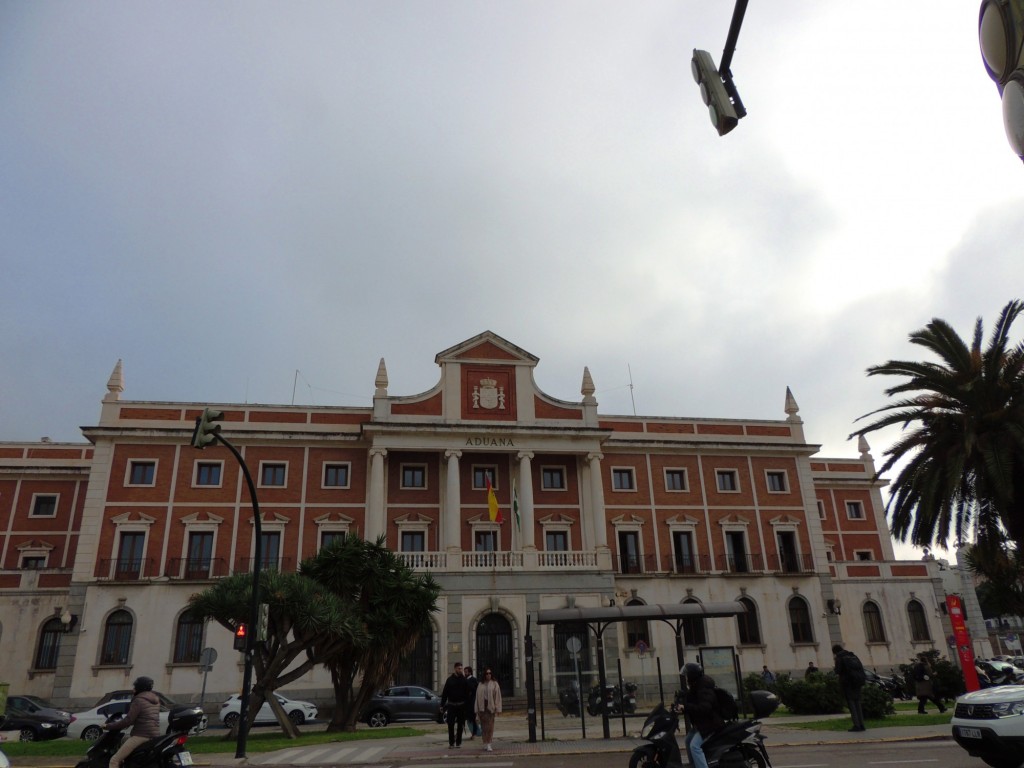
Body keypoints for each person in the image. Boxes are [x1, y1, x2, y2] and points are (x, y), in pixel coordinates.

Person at [104, 676, 162, 768]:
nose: (133, 689)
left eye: (135, 687)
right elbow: (145, 717)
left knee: (114, 760)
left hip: (141, 735)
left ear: (140, 687)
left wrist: (108, 726)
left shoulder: (138, 700)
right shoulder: (155, 700)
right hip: (154, 735)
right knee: (124, 739)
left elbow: (128, 720)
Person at [676, 662, 722, 768]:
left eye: (688, 675)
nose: (686, 677)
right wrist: (682, 701)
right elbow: (692, 700)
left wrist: (686, 707)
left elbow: (704, 707)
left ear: (693, 675)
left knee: (695, 746)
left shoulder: (703, 688)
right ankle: (694, 765)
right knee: (688, 740)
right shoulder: (697, 685)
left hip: (710, 724)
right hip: (702, 723)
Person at [833, 643, 866, 732]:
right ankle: (862, 724)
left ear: (835, 652)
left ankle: (856, 725)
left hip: (847, 683)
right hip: (857, 682)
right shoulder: (853, 655)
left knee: (851, 704)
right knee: (858, 703)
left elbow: (838, 671)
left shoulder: (839, 658)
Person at [441, 662, 471, 748]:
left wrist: (467, 705)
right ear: (455, 669)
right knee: (450, 724)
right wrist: (442, 705)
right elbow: (445, 693)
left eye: (461, 668)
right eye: (459, 668)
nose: (460, 670)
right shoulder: (449, 680)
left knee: (460, 725)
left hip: (461, 706)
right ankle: (451, 743)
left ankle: (458, 742)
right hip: (451, 705)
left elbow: (468, 693)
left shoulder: (464, 680)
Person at [474, 667, 503, 752]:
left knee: (490, 726)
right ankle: (485, 742)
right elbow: (477, 697)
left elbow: (498, 697)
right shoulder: (480, 684)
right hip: (482, 707)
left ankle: (489, 743)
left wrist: (498, 708)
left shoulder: (494, 684)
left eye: (490, 673)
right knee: (483, 727)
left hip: (490, 707)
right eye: (487, 673)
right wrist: (477, 709)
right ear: (484, 674)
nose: (488, 675)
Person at [463, 666, 479, 740]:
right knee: (462, 719)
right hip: (464, 703)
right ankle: (459, 733)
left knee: (473, 719)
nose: (465, 673)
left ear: (469, 672)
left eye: (466, 672)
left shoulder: (473, 680)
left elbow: (475, 691)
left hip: (472, 703)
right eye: (464, 671)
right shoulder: (464, 679)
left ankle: (474, 733)